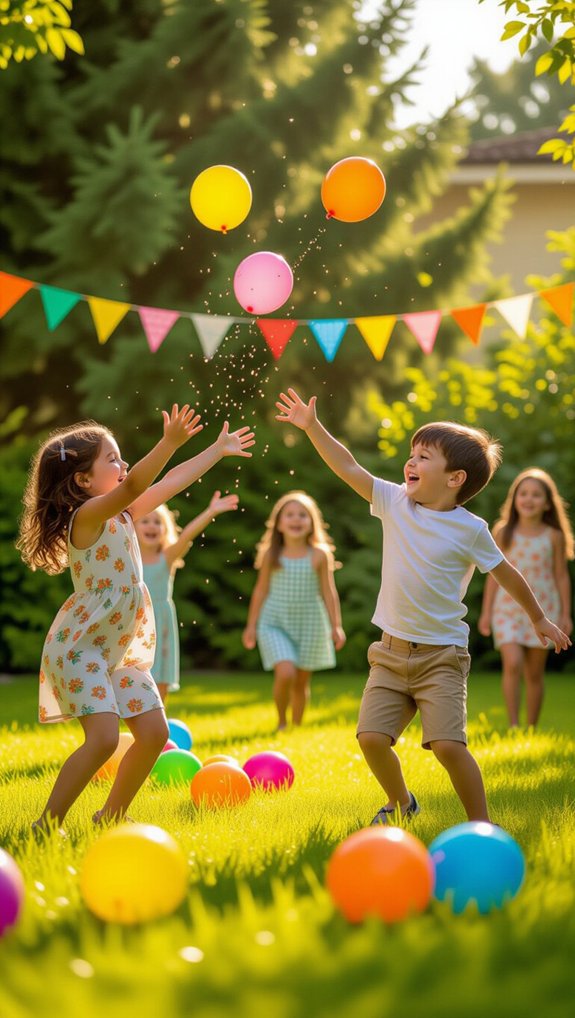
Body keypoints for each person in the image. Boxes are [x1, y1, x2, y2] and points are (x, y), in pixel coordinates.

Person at [275, 388, 571, 824]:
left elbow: (506, 572)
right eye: (412, 454)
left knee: (449, 746)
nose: (410, 463)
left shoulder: (471, 529)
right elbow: (348, 466)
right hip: (391, 652)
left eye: (424, 457)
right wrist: (312, 426)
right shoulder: (396, 503)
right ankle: (401, 803)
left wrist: (539, 617)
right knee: (371, 738)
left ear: (455, 479)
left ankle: (482, 825)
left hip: (442, 657)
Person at [16, 406, 255, 834]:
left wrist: (216, 451)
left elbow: (168, 482)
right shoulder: (86, 518)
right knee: (105, 738)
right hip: (81, 647)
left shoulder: (124, 513)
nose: (124, 466)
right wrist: (168, 442)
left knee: (152, 733)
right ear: (83, 481)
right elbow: (138, 485)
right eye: (113, 459)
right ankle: (46, 823)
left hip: (117, 649)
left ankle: (111, 815)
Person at [242, 490, 346, 729]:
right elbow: (260, 590)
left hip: (310, 623)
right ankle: (281, 722)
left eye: (302, 515)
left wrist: (336, 625)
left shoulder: (320, 555)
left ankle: (296, 727)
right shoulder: (272, 554)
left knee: (300, 681)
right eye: (289, 515)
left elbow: (329, 592)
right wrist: (251, 625)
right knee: (286, 672)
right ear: (279, 523)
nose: (296, 519)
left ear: (312, 523)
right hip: (274, 622)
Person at [478, 468, 573, 728]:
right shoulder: (502, 531)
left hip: (544, 608)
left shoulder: (554, 535)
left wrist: (565, 614)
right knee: (513, 663)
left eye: (536, 495)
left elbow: (561, 576)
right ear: (514, 498)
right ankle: (513, 725)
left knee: (534, 673)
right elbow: (492, 576)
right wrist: (486, 612)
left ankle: (530, 726)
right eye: (523, 494)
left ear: (546, 503)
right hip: (506, 609)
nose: (528, 499)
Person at [135, 491, 239, 704]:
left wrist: (211, 512)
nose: (152, 526)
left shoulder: (167, 557)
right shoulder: (127, 557)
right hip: (135, 622)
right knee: (135, 675)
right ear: (133, 528)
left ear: (165, 530)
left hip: (160, 623)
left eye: (158, 522)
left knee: (160, 675)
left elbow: (187, 535)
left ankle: (159, 721)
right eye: (145, 521)